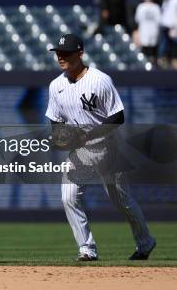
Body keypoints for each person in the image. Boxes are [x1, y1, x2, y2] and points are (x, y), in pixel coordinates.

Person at [46, 34, 156, 262]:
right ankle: (87, 249)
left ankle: (145, 242)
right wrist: (60, 137)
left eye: (66, 52)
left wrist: (88, 135)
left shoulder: (100, 80)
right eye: (58, 52)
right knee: (68, 197)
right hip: (79, 152)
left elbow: (118, 116)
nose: (60, 56)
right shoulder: (56, 86)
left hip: (108, 147)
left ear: (80, 53)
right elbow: (55, 121)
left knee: (122, 201)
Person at [135, 0, 162, 64]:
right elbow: (159, 20)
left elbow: (137, 19)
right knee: (152, 51)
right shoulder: (156, 7)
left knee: (146, 50)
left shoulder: (141, 7)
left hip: (145, 31)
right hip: (152, 31)